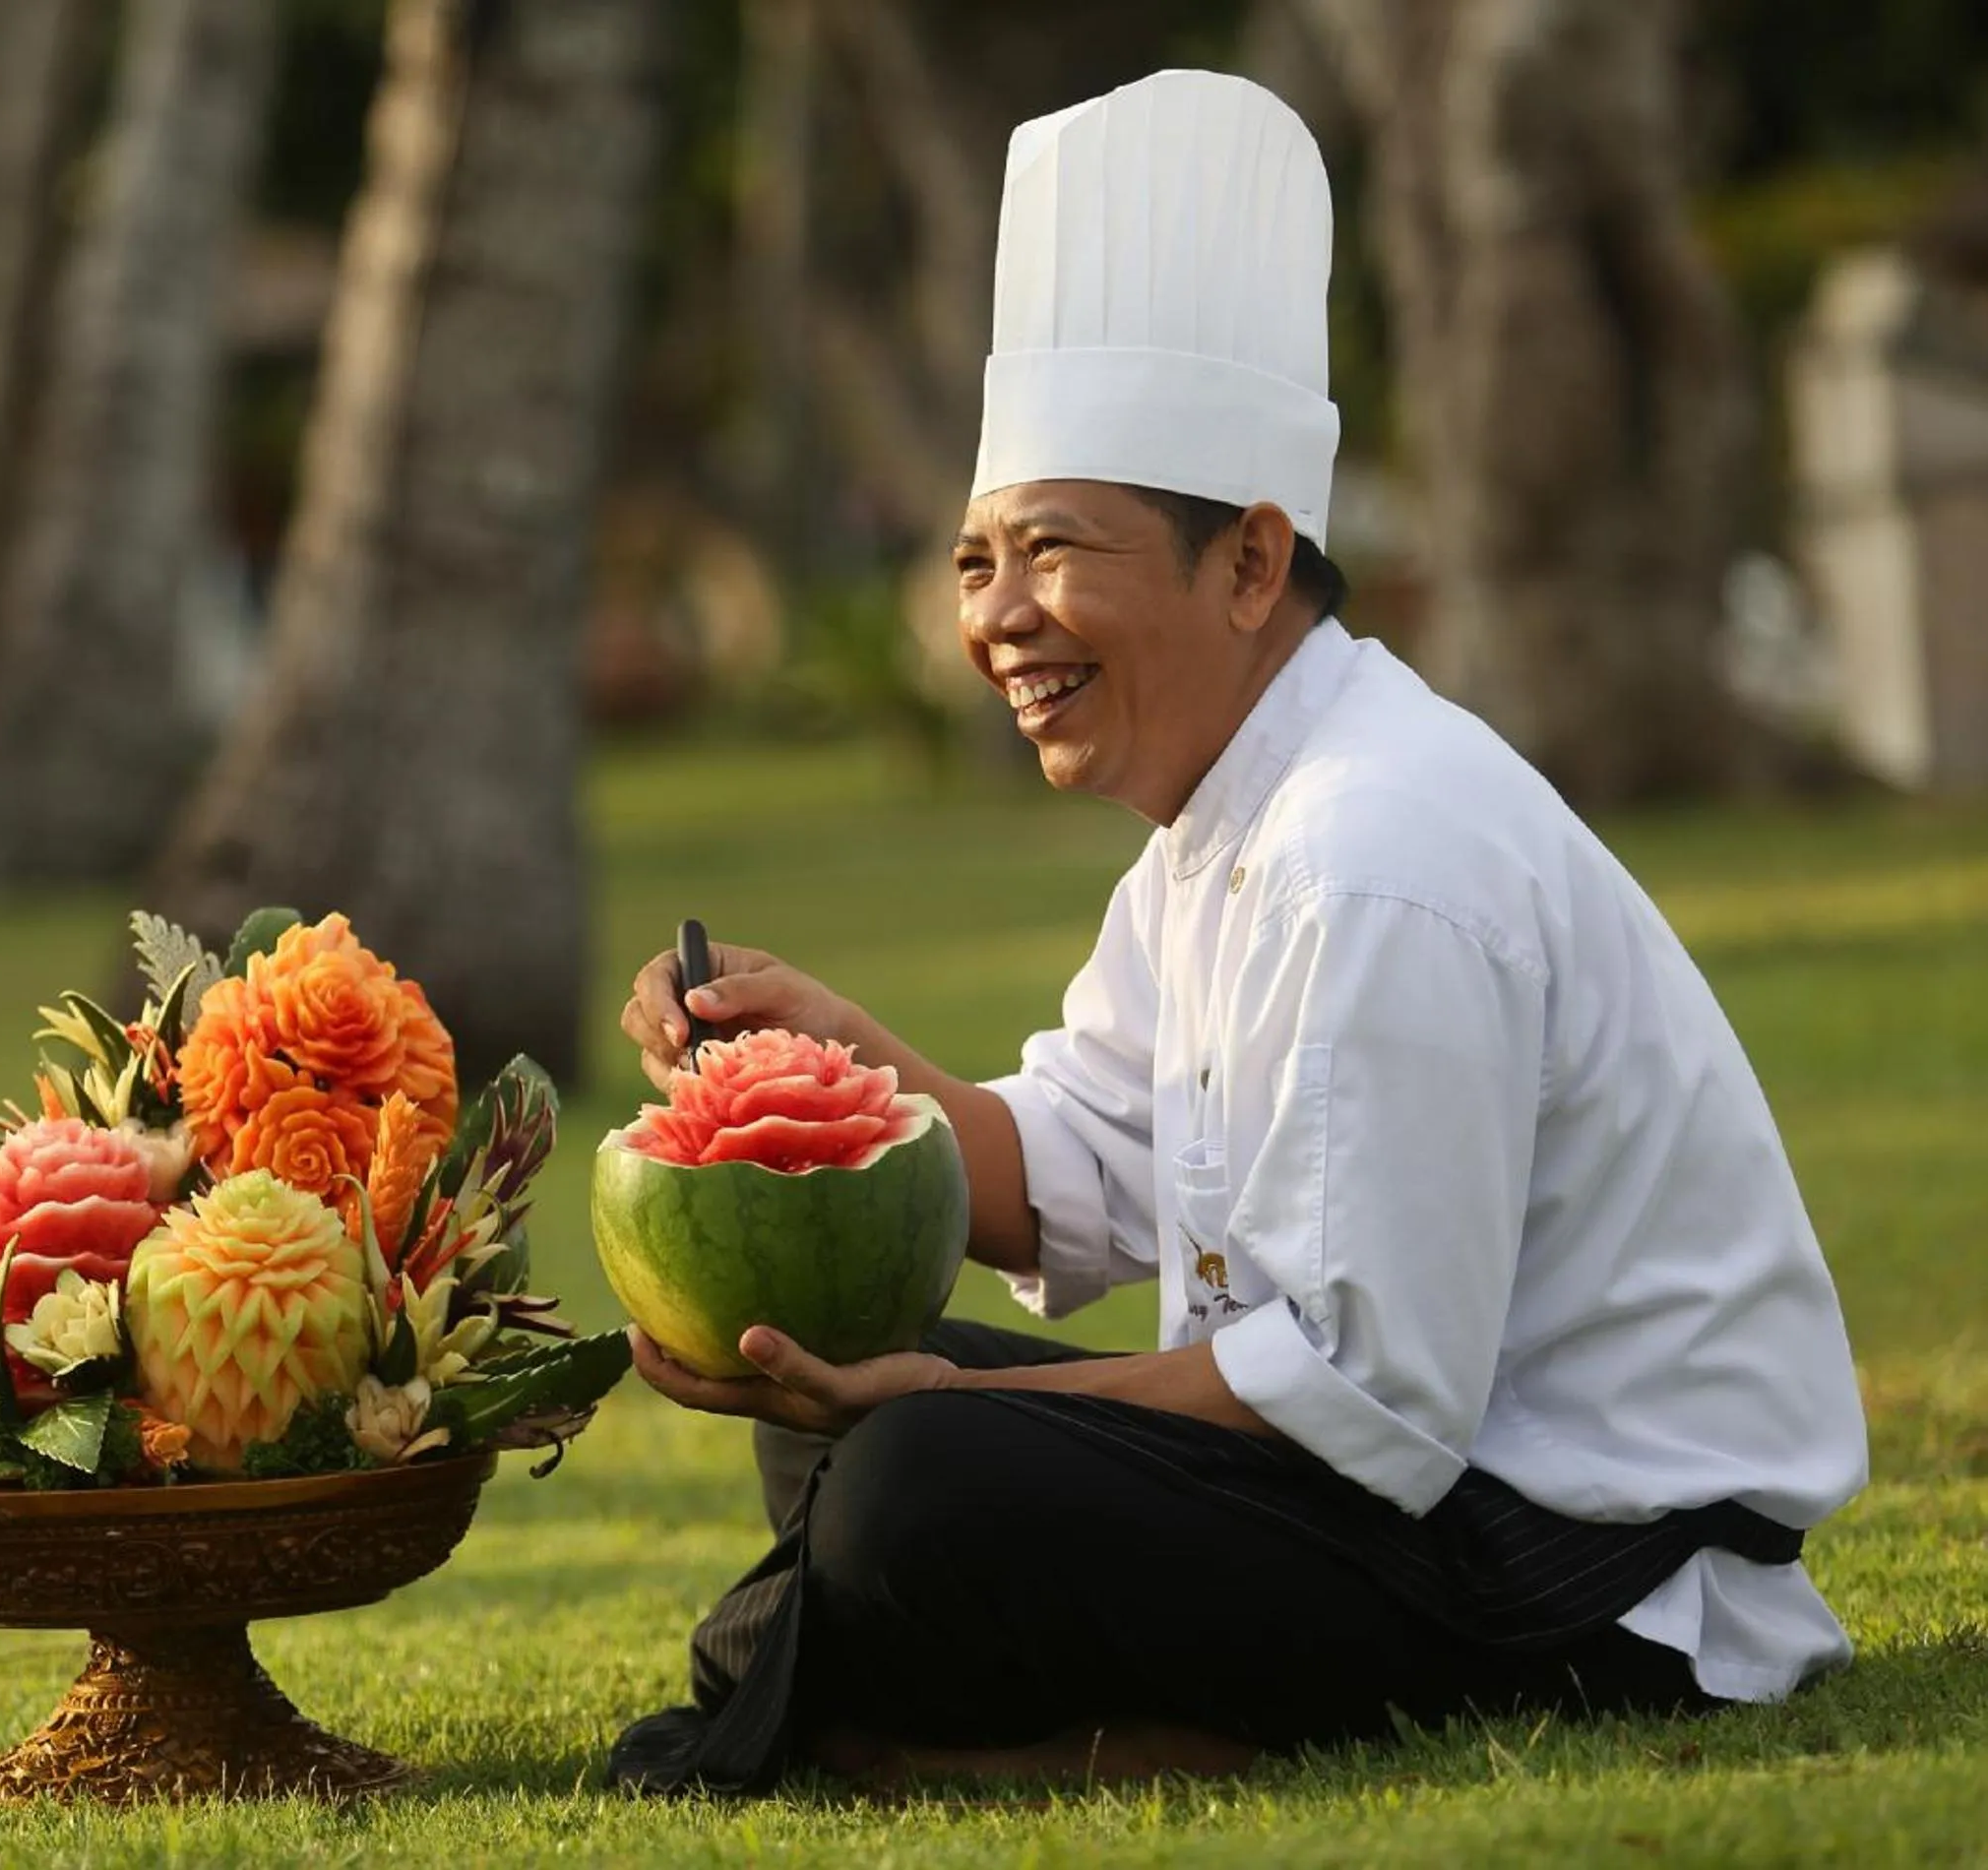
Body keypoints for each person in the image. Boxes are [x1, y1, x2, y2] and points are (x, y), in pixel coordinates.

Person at [605, 69, 1868, 1796]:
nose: (998, 619)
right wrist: (812, 1058)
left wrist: (956, 1414)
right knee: (845, 1421)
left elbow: (1365, 1401)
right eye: (974, 563)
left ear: (1251, 562)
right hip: (1390, 1483)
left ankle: (1051, 1740)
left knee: (913, 1475)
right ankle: (1005, 1720)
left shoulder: (1372, 851)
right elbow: (1070, 1171)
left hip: (1580, 1572)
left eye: (1051, 552)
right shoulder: (1221, 830)